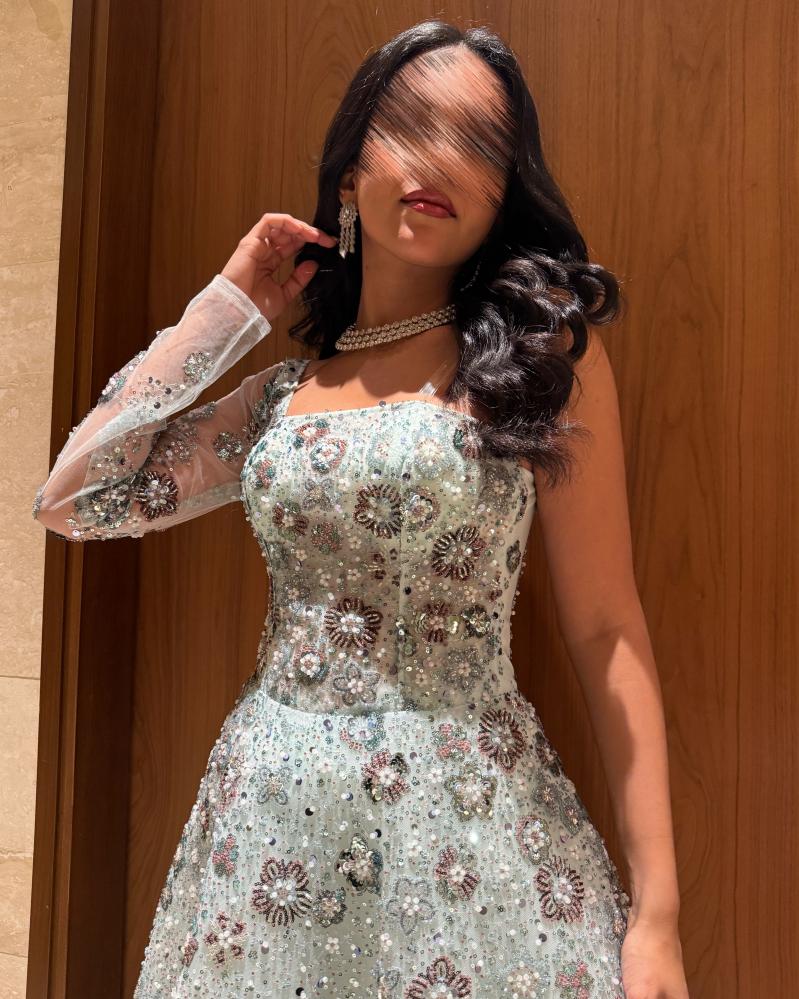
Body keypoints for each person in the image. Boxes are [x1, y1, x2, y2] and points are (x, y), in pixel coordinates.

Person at [34, 20, 688, 999]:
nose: (439, 158)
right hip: (271, 838)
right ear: (348, 174)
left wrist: (658, 916)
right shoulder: (281, 398)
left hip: (472, 832)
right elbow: (75, 499)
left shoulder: (537, 372)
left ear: (503, 194)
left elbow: (605, 629)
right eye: (412, 125)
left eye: (479, 143)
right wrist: (229, 308)